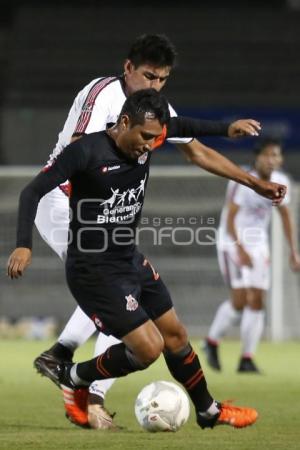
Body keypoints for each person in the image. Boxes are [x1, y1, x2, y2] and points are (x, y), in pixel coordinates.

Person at [8, 89, 286, 431]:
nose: (149, 145)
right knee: (148, 349)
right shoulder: (86, 150)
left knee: (176, 336)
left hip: (128, 259)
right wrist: (24, 244)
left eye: (156, 138)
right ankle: (72, 375)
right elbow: (31, 191)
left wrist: (228, 129)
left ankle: (209, 411)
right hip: (93, 269)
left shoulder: (153, 133)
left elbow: (185, 124)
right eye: (144, 136)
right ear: (124, 122)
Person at [203, 138, 300, 373]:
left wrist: (293, 251)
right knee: (239, 302)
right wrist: (239, 248)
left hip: (258, 246)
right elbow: (230, 217)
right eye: (267, 155)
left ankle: (247, 358)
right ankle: (212, 341)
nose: (271, 159)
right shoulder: (242, 179)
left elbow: (285, 216)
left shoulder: (282, 181)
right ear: (257, 158)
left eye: (276, 155)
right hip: (231, 242)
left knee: (257, 301)